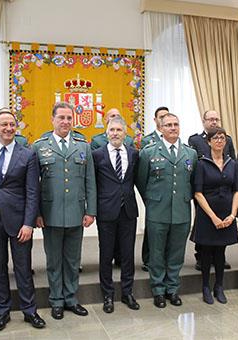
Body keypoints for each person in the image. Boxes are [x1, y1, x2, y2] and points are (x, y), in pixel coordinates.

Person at [0, 108, 45, 332]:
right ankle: (2, 312)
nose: (8, 128)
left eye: (11, 125)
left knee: (23, 268)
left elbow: (33, 191)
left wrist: (28, 223)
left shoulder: (27, 154)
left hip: (19, 222)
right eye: (3, 124)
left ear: (16, 128)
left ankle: (29, 311)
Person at [33, 102, 96, 320]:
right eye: (61, 118)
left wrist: (91, 211)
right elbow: (34, 185)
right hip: (50, 213)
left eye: (69, 118)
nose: (65, 122)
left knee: (72, 259)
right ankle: (56, 300)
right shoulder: (39, 146)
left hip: (76, 212)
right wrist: (37, 213)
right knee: (53, 261)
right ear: (52, 120)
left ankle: (71, 299)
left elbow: (90, 181)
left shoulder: (83, 146)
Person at [136, 113, 197, 308]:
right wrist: (153, 200)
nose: (173, 128)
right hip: (157, 211)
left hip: (181, 210)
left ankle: (172, 288)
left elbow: (192, 181)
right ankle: (158, 290)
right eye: (168, 125)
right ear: (160, 128)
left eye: (176, 124)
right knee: (157, 252)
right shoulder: (148, 152)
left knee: (176, 253)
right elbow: (141, 181)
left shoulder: (190, 153)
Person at [92, 117, 140, 313]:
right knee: (106, 255)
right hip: (106, 212)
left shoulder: (134, 154)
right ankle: (108, 295)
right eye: (112, 129)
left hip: (128, 211)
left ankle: (127, 292)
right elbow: (92, 185)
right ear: (106, 132)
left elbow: (137, 179)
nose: (115, 133)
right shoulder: (97, 155)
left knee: (128, 254)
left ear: (125, 133)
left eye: (119, 129)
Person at [192, 128, 238, 304]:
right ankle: (205, 287)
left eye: (222, 138)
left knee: (221, 252)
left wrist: (233, 215)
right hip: (207, 214)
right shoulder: (202, 164)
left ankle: (219, 287)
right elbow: (197, 193)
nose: (219, 141)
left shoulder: (232, 164)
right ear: (209, 142)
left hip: (227, 214)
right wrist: (213, 217)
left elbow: (237, 191)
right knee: (206, 252)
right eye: (215, 138)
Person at [188, 109, 236, 271]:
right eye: (210, 119)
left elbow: (232, 161)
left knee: (222, 222)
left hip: (223, 191)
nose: (214, 122)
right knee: (203, 224)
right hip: (203, 188)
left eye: (216, 119)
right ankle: (201, 256)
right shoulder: (195, 140)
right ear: (204, 121)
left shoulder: (227, 139)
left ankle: (219, 257)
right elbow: (193, 164)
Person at [140, 106, 170, 272]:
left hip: (169, 194)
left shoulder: (174, 138)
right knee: (151, 228)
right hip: (154, 194)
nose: (163, 119)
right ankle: (147, 258)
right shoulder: (147, 141)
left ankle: (163, 257)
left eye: (166, 116)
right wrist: (148, 196)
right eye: (160, 116)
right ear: (155, 120)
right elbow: (142, 175)